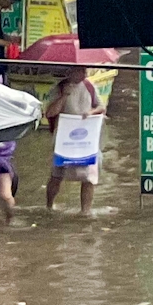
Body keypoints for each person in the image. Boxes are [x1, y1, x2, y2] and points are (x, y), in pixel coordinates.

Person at [42, 66, 104, 214]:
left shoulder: (89, 86)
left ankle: (85, 211)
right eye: (81, 70)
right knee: (57, 175)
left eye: (85, 70)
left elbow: (101, 106)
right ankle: (49, 206)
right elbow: (50, 112)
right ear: (71, 72)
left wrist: (91, 112)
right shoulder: (59, 88)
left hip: (87, 138)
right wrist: (63, 97)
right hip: (64, 139)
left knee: (89, 177)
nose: (85, 73)